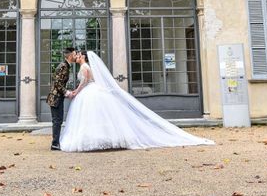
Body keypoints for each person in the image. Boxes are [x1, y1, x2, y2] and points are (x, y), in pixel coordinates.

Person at [60, 51, 214, 152]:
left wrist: (75, 92)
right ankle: (98, 140)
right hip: (91, 93)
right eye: (77, 55)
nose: (77, 56)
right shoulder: (85, 66)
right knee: (94, 118)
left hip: (89, 93)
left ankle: (96, 140)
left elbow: (84, 82)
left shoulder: (85, 67)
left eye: (79, 55)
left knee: (92, 117)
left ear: (85, 58)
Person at [46, 47, 77, 151]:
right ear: (70, 55)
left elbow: (60, 83)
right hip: (55, 97)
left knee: (58, 120)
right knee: (57, 120)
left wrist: (66, 92)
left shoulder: (66, 66)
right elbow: (57, 83)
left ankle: (56, 142)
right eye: (75, 54)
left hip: (58, 97)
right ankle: (55, 144)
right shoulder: (63, 66)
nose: (76, 56)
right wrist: (67, 92)